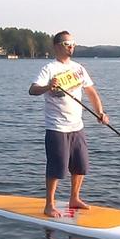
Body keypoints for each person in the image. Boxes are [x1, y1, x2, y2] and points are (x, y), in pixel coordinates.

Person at [29, 30, 109, 217]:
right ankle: (49, 204)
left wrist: (100, 112)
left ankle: (75, 198)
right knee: (56, 168)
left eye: (73, 43)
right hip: (57, 127)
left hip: (77, 126)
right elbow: (32, 90)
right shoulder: (49, 69)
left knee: (81, 166)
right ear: (57, 46)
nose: (72, 46)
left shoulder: (79, 68)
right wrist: (49, 86)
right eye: (67, 43)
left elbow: (91, 92)